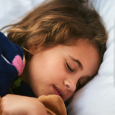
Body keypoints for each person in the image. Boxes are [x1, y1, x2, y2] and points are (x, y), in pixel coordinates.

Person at [0, 0, 108, 114]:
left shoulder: (54, 108)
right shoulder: (5, 55)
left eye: (80, 83)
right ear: (37, 43)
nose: (72, 86)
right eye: (70, 67)